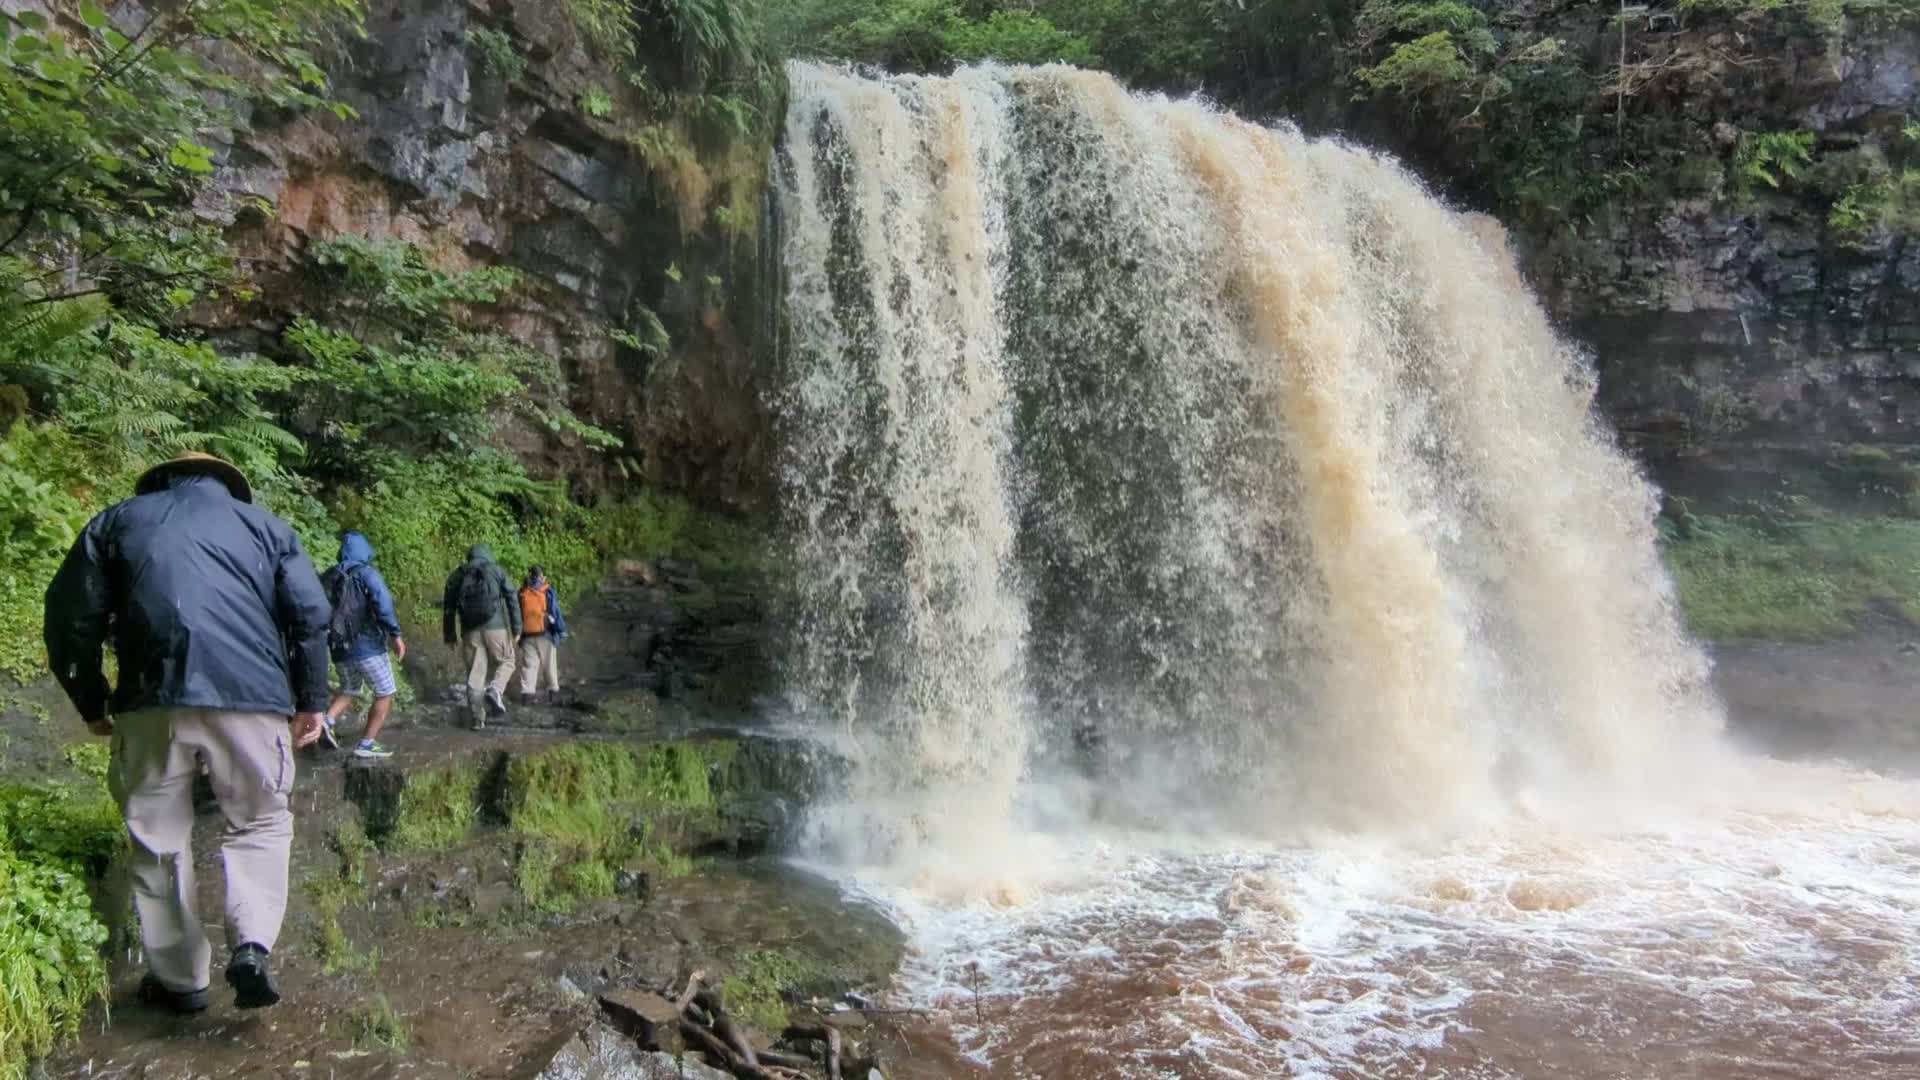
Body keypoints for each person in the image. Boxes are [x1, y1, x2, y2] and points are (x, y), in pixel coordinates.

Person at [43, 452, 329, 1015]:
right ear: (230, 486)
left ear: (157, 482)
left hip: (151, 700)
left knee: (158, 839)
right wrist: (311, 701)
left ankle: (180, 981)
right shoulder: (267, 528)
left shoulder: (116, 521)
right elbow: (309, 616)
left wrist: (92, 700)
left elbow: (69, 616)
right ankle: (249, 946)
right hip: (252, 700)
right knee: (262, 820)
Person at [319, 531, 406, 759]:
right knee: (385, 691)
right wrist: (395, 634)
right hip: (368, 647)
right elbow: (383, 604)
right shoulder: (367, 574)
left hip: (339, 648)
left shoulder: (328, 576)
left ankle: (326, 722)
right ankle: (367, 743)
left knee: (349, 688)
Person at [442, 544, 519, 727]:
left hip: (470, 631)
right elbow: (512, 598)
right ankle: (495, 689)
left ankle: (477, 719)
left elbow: (449, 608)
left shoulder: (458, 575)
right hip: (496, 628)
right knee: (507, 661)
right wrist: (517, 628)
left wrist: (450, 634)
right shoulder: (496, 570)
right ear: (488, 555)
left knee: (475, 675)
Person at [516, 566, 568, 705]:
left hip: (527, 635)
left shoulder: (522, 592)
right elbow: (555, 612)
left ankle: (527, 696)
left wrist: (518, 634)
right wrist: (561, 630)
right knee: (549, 665)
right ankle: (553, 695)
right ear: (542, 577)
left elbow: (518, 614)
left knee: (529, 666)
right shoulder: (547, 591)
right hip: (545, 635)